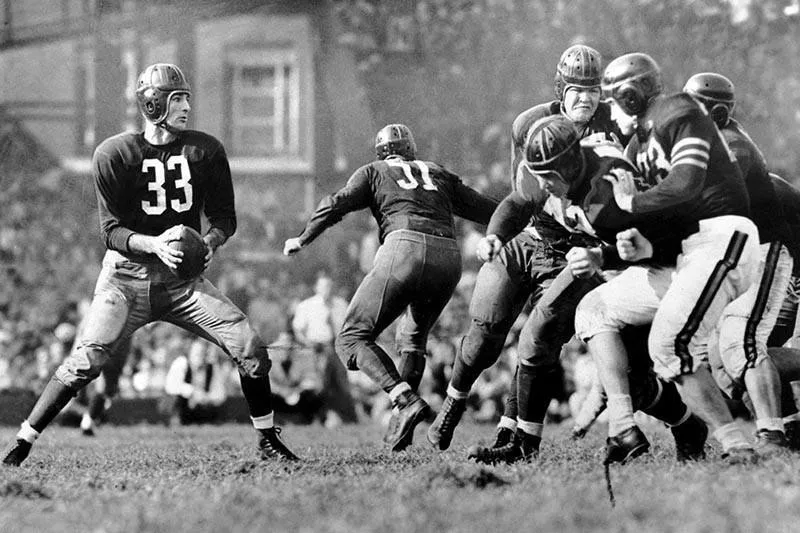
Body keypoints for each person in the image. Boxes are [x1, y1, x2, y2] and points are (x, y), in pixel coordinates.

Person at [2, 63, 298, 466]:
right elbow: (110, 231)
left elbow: (224, 217)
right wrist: (155, 244)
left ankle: (266, 439)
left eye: (187, 98)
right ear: (153, 102)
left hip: (181, 280)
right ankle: (22, 442)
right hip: (125, 277)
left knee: (248, 345)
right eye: (177, 99)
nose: (186, 107)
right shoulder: (115, 153)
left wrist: (210, 241)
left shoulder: (205, 150)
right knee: (86, 360)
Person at [460, 116, 705, 464]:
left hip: (666, 267)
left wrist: (600, 255)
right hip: (615, 267)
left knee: (629, 376)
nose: (543, 186)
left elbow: (656, 243)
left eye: (548, 178)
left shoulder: (605, 197)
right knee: (543, 333)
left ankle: (692, 427)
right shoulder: (555, 171)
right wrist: (496, 235)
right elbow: (518, 202)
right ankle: (526, 444)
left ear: (570, 167)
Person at [427, 44, 626, 453]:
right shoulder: (533, 124)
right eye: (576, 89)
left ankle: (512, 431)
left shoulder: (617, 127)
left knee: (539, 340)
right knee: (484, 330)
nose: (585, 98)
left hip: (579, 251)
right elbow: (522, 196)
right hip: (533, 236)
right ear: (560, 89)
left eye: (592, 89)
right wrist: (497, 234)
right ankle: (454, 400)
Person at [575, 52, 760, 465]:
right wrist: (636, 249)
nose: (611, 112)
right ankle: (628, 427)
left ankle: (738, 446)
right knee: (594, 309)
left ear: (629, 94)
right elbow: (669, 219)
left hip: (720, 235)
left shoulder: (677, 109)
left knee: (671, 345)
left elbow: (687, 185)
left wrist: (631, 201)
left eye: (613, 99)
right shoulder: (637, 144)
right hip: (685, 253)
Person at [284, 123, 497, 451]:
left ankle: (405, 400)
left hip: (404, 248)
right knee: (412, 341)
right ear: (412, 149)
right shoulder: (436, 172)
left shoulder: (374, 171)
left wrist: (303, 236)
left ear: (381, 152)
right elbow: (485, 208)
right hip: (447, 256)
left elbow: (336, 203)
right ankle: (403, 432)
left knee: (351, 338)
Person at [683, 72, 797, 453]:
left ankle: (772, 433)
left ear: (715, 113)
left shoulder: (733, 147)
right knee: (724, 363)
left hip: (768, 251)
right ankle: (790, 424)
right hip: (741, 256)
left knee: (741, 340)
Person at [291, 272, 358, 426]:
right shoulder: (307, 306)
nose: (327, 289)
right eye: (323, 286)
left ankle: (348, 418)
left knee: (342, 384)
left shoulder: (340, 304)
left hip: (337, 349)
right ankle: (316, 417)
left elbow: (349, 327)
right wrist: (308, 344)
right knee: (319, 384)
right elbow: (298, 330)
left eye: (329, 286)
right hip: (316, 349)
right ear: (316, 287)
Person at [163, 339, 229, 426]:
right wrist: (193, 392)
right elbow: (171, 387)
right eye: (197, 354)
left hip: (203, 405)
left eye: (203, 354)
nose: (200, 357)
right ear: (190, 353)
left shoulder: (211, 367)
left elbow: (220, 394)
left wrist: (205, 398)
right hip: (184, 406)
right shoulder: (181, 363)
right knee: (175, 400)